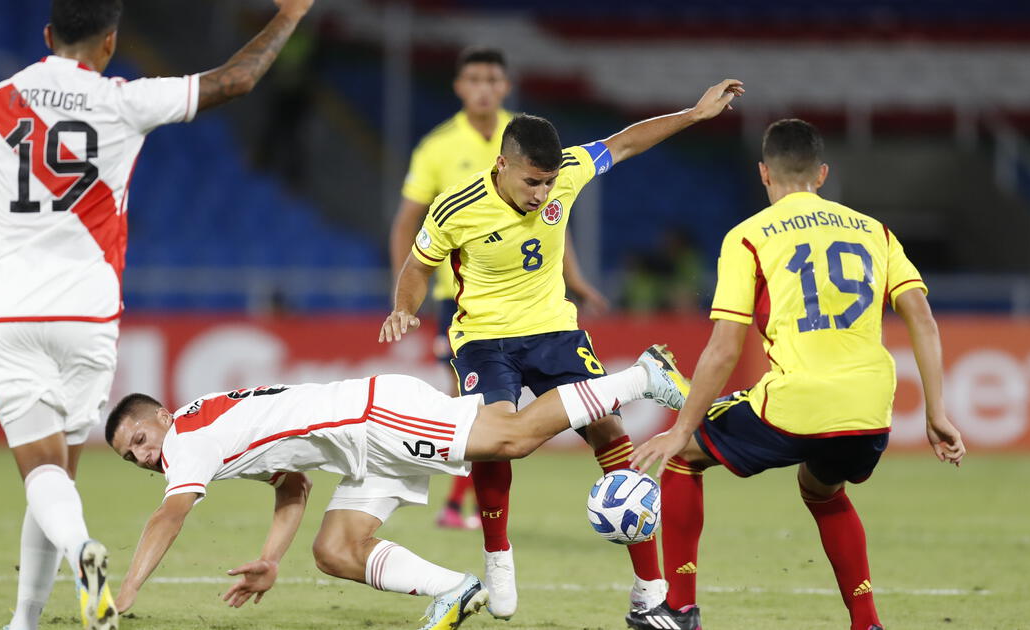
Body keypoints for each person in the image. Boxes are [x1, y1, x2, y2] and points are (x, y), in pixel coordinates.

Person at [0, 1, 315, 629]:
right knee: (59, 473)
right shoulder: (124, 99)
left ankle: (79, 558)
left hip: (10, 311)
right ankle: (27, 618)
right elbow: (236, 80)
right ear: (110, 43)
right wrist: (291, 15)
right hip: (88, 314)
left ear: (48, 36)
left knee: (40, 475)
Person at [380, 79, 745, 621]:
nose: (543, 194)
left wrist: (692, 114)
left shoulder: (567, 172)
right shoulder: (455, 209)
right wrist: (403, 307)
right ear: (502, 164)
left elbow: (624, 142)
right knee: (494, 440)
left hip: (554, 330)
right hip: (483, 339)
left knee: (609, 431)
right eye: (532, 182)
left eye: (550, 183)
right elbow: (418, 267)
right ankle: (498, 560)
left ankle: (649, 590)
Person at [628, 119, 967, 630]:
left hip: (797, 400)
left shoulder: (748, 236)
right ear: (823, 174)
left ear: (764, 173)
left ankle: (679, 608)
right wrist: (937, 412)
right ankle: (867, 622)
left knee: (686, 457)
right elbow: (922, 317)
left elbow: (724, 347)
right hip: (870, 407)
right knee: (822, 489)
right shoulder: (875, 230)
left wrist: (679, 429)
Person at [104, 345, 690, 630]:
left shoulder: (185, 438)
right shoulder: (209, 432)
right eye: (128, 454)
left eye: (137, 437)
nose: (140, 454)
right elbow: (293, 487)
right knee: (335, 550)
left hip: (374, 419)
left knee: (509, 438)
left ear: (160, 414)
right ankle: (458, 590)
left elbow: (168, 518)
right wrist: (268, 558)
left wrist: (126, 588)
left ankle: (642, 374)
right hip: (359, 446)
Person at [389, 46, 608, 530]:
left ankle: (454, 502)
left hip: (536, 305)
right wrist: (401, 300)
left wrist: (575, 281)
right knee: (475, 411)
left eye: (492, 79)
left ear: (504, 86)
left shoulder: (533, 141)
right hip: (462, 299)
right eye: (474, 79)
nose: (484, 88)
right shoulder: (437, 148)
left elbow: (552, 218)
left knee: (493, 418)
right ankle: (454, 501)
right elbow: (410, 227)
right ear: (459, 87)